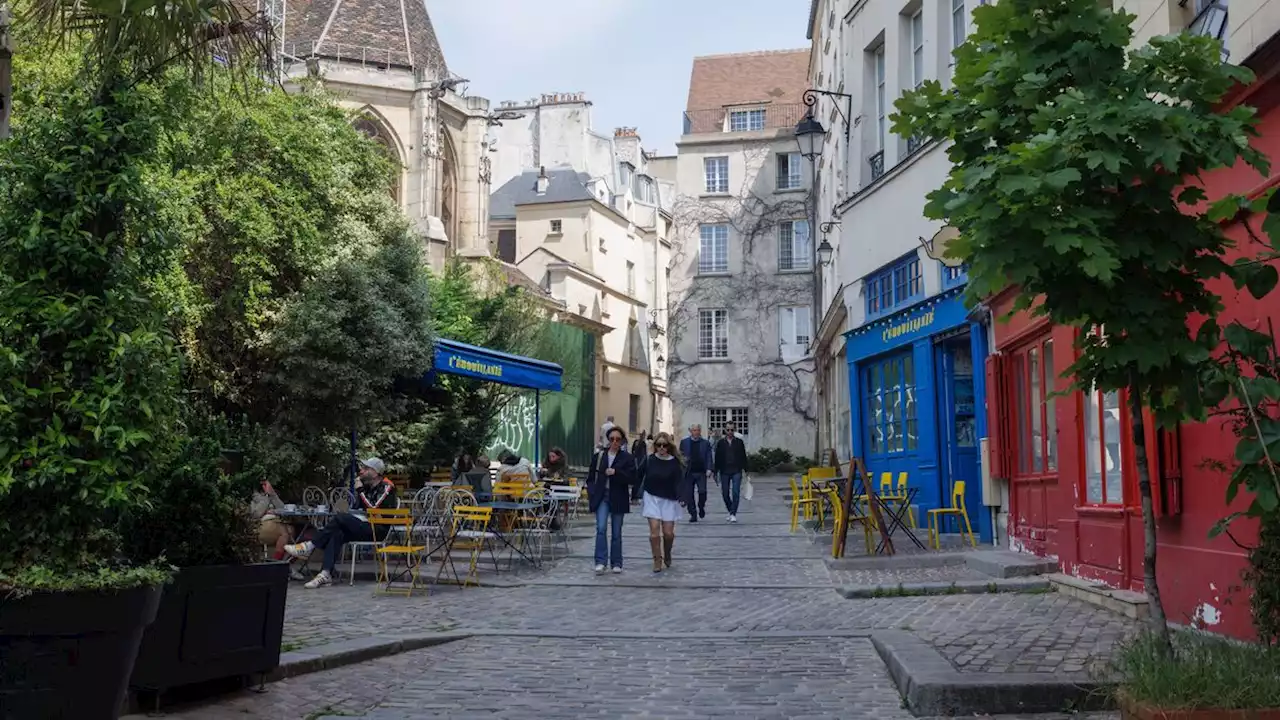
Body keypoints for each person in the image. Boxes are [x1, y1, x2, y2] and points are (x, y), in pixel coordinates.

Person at [284, 457, 398, 588]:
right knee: (336, 533)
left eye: (366, 469)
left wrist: (360, 491)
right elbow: (359, 508)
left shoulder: (386, 486)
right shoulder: (367, 486)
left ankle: (310, 545)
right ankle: (325, 573)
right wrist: (358, 494)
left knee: (340, 518)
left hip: (378, 529)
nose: (362, 471)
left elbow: (372, 508)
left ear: (376, 472)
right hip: (365, 525)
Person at [586, 426, 635, 574]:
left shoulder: (627, 458)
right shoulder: (599, 456)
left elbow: (632, 478)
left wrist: (616, 472)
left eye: (618, 439)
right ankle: (600, 561)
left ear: (622, 441)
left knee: (616, 532)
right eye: (612, 439)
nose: (614, 442)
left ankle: (616, 562)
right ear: (608, 440)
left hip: (618, 496)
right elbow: (590, 477)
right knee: (601, 528)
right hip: (602, 495)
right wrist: (592, 492)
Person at [642, 432, 685, 573]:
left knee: (668, 534)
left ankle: (667, 553)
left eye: (664, 445)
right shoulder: (649, 460)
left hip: (669, 499)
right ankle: (657, 559)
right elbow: (638, 475)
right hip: (651, 496)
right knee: (654, 532)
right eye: (658, 445)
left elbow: (680, 482)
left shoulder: (674, 462)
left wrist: (683, 496)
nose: (661, 448)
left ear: (669, 446)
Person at [679, 424, 714, 523]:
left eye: (698, 430)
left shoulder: (705, 443)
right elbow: (680, 456)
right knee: (689, 494)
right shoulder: (684, 442)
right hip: (689, 472)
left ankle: (701, 506)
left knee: (702, 492)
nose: (696, 432)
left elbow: (709, 456)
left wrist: (709, 468)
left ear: (700, 431)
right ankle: (693, 514)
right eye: (694, 430)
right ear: (690, 431)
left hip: (701, 471)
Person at [714, 422, 748, 523]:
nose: (730, 432)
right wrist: (715, 471)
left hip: (736, 470)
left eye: (732, 430)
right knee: (725, 493)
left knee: (736, 492)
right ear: (725, 430)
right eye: (728, 430)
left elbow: (743, 456)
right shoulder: (720, 443)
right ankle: (730, 510)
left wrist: (746, 470)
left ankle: (733, 513)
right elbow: (717, 457)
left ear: (734, 430)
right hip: (724, 470)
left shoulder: (739, 442)